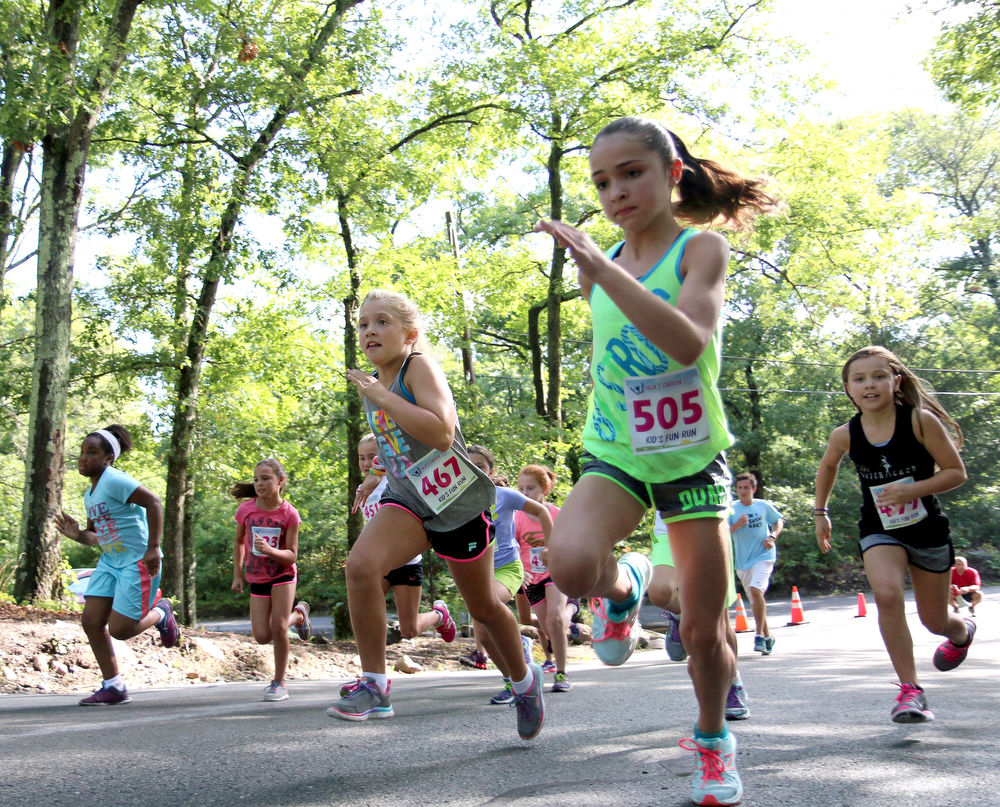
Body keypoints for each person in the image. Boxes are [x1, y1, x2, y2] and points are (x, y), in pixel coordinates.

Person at [534, 115, 775, 806]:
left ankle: (711, 740)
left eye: (631, 172)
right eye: (602, 181)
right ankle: (628, 582)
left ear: (672, 174)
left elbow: (688, 344)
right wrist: (601, 269)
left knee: (702, 631)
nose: (616, 191)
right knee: (570, 563)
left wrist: (603, 268)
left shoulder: (701, 250)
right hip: (617, 449)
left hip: (693, 460)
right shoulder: (599, 267)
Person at [328, 289, 544, 741]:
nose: (370, 331)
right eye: (363, 324)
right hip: (408, 499)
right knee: (361, 566)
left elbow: (442, 434)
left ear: (410, 334)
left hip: (458, 505)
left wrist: (384, 399)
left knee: (483, 606)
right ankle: (375, 684)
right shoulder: (372, 385)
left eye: (382, 322)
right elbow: (399, 447)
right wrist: (376, 476)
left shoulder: (416, 368)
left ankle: (525, 681)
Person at [815, 345, 974, 725]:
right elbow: (827, 466)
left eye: (878, 376)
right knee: (886, 594)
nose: (869, 385)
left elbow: (956, 472)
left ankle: (961, 630)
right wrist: (820, 511)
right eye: (859, 379)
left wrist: (913, 490)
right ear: (849, 389)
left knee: (934, 621)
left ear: (895, 381)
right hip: (879, 529)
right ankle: (910, 690)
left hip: (927, 529)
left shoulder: (919, 421)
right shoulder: (845, 434)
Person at [54, 425, 179, 706]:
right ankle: (114, 686)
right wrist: (77, 535)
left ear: (109, 458)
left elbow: (154, 502)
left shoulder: (114, 480)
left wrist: (153, 548)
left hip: (136, 562)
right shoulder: (91, 494)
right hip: (110, 562)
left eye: (92, 452)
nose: (83, 458)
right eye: (82, 452)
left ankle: (161, 612)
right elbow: (97, 536)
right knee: (91, 621)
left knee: (121, 629)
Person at [465, 445, 554, 703]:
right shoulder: (456, 501)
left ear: (491, 471)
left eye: (480, 466)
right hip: (477, 572)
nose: (474, 471)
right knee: (482, 633)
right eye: (468, 466)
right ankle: (514, 680)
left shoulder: (503, 495)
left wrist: (550, 547)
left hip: (508, 567)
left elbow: (542, 511)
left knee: (488, 604)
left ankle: (517, 648)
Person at [357, 433, 457, 646]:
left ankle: (440, 615)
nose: (366, 463)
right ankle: (372, 674)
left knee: (409, 629)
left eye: (372, 456)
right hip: (379, 564)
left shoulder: (394, 483)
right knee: (367, 614)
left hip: (407, 562)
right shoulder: (363, 489)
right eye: (361, 457)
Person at [649, 513, 750, 720]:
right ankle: (679, 615)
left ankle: (732, 682)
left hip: (709, 527)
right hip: (667, 529)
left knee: (719, 622)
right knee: (660, 592)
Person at [231, 457, 311, 702]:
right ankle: (299, 615)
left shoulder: (289, 514)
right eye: (256, 479)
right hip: (257, 576)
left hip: (283, 575)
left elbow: (291, 556)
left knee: (277, 628)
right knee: (262, 635)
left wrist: (270, 551)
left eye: (266, 478)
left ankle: (279, 682)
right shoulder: (246, 509)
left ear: (280, 481)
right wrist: (237, 574)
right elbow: (238, 542)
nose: (259, 483)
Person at [515, 463, 574, 692]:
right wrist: (519, 571)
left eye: (530, 488)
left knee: (555, 619)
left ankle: (561, 673)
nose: (524, 494)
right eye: (521, 489)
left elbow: (570, 542)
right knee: (549, 628)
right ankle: (571, 616)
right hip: (531, 577)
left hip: (555, 573)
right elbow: (511, 547)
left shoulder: (555, 514)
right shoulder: (516, 517)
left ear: (544, 489)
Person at [728, 472, 784, 655]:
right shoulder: (731, 508)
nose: (743, 491)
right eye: (740, 488)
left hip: (764, 556)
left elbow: (778, 521)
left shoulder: (762, 506)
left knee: (755, 590)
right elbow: (723, 533)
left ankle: (759, 635)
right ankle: (769, 637)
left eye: (746, 488)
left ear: (754, 489)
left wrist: (772, 536)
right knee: (755, 600)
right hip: (743, 562)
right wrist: (737, 525)